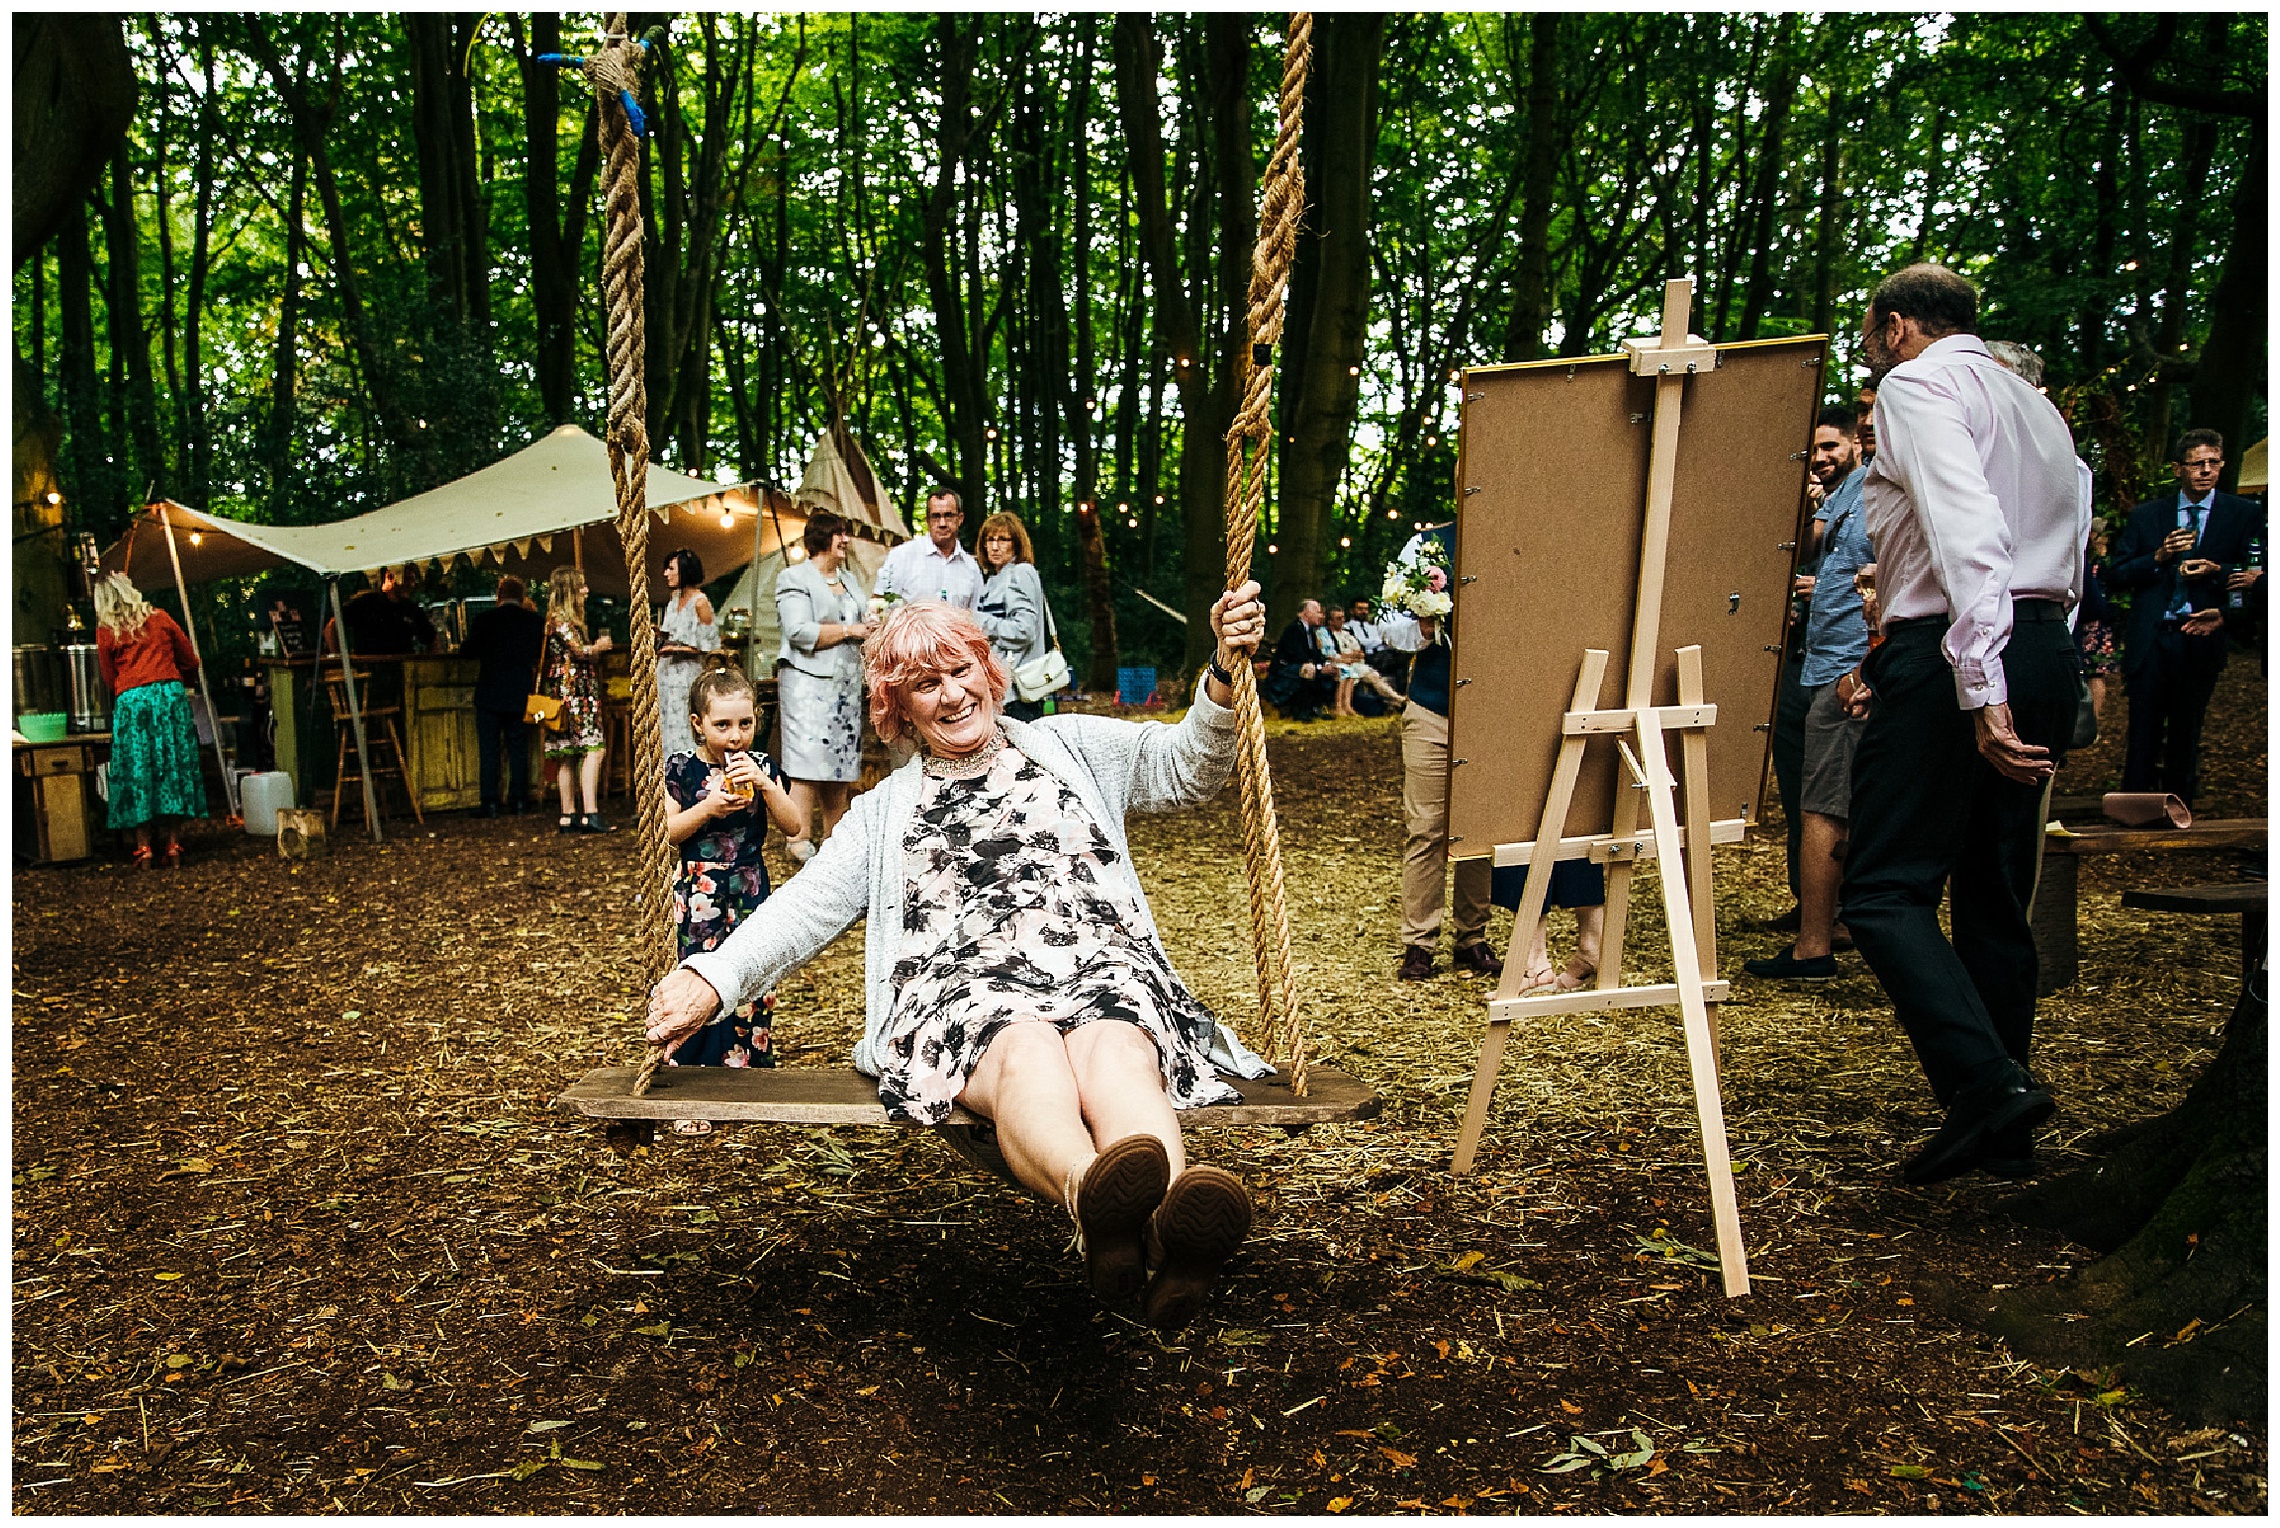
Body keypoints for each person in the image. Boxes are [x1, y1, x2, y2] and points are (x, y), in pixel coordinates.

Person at [646, 586, 1273, 1331]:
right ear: (898, 709)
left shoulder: (1067, 746)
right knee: (1023, 1049)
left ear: (987, 669)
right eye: (924, 684)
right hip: (964, 991)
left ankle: (1169, 1225)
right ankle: (1092, 1198)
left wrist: (1224, 673)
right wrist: (710, 977)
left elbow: (1186, 767)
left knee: (1121, 1045)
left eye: (960, 670)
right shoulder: (884, 813)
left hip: (1100, 967)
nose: (951, 695)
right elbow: (804, 906)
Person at [1838, 262, 2084, 1185]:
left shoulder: (1915, 383)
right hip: (2043, 639)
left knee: (1883, 888)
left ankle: (1984, 1085)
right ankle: (2005, 1124)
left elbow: (1964, 525)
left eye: (1870, 332)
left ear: (1896, 325)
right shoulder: (2033, 405)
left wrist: (1979, 682)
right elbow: (2071, 523)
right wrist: (2034, 662)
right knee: (1994, 886)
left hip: (1963, 647)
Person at [1748, 405, 1871, 980]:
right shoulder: (1835, 499)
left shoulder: (1878, 493)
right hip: (1812, 662)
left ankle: (1822, 939)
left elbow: (1877, 576)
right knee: (1810, 793)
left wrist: (1823, 588)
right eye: (1813, 449)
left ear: (1855, 443)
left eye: (1831, 446)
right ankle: (1814, 915)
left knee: (1831, 801)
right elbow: (1800, 552)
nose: (1820, 457)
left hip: (1855, 665)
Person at [660, 666, 806, 1133]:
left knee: (753, 979)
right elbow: (666, 833)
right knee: (700, 981)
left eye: (744, 724)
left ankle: (746, 1081)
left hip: (750, 887)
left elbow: (794, 825)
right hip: (699, 890)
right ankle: (692, 1093)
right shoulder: (681, 769)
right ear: (699, 723)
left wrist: (765, 785)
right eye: (722, 725)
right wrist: (709, 807)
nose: (735, 735)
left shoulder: (762, 765)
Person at [2107, 429, 2265, 810]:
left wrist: (2216, 570)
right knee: (2142, 727)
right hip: (2154, 635)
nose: (2206, 471)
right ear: (2178, 468)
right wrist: (2158, 557)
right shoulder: (2148, 516)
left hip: (2202, 631)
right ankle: (2133, 810)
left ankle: (2179, 808)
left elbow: (2256, 571)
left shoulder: (2243, 513)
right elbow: (2115, 575)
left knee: (2187, 726)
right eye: (2197, 464)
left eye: (2214, 463)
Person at [1377, 528, 1504, 982]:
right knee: (1426, 827)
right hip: (1432, 707)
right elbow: (1386, 626)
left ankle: (1473, 938)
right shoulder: (1426, 546)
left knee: (1478, 830)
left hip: (1490, 711)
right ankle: (1419, 943)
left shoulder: (1513, 537)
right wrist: (1424, 628)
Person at [775, 509, 876, 862]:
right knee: (807, 764)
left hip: (845, 688)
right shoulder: (794, 578)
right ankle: (797, 838)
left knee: (841, 766)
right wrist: (851, 631)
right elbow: (798, 632)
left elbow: (862, 621)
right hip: (806, 685)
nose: (845, 540)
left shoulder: (849, 580)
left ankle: (837, 842)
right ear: (822, 538)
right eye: (839, 533)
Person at [92, 572, 206, 866]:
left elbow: (109, 677)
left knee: (137, 769)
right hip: (169, 697)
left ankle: (143, 847)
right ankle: (173, 844)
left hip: (132, 702)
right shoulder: (161, 618)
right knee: (172, 766)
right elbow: (191, 660)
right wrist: (182, 681)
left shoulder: (107, 631)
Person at [462, 573, 545, 817]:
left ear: (499, 596)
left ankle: (489, 802)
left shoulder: (484, 620)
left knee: (489, 749)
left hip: (490, 691)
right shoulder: (533, 622)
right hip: (520, 691)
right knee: (518, 747)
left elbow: (467, 652)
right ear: (522, 597)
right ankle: (519, 800)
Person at [539, 565, 613, 834]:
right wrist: (600, 647)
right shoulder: (563, 620)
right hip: (576, 691)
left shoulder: (554, 619)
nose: (586, 590)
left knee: (566, 753)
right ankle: (590, 812)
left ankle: (567, 814)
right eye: (581, 586)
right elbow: (579, 652)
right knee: (594, 748)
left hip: (561, 689)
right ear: (569, 590)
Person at [973, 510, 1054, 723]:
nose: (995, 546)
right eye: (990, 540)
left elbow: (1025, 630)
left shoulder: (1021, 572)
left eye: (1003, 539)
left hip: (1018, 693)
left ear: (1016, 543)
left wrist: (981, 622)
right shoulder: (994, 578)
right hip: (1001, 690)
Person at [656, 547, 721, 760]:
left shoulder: (701, 603)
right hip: (666, 675)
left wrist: (675, 648)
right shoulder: (674, 600)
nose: (666, 573)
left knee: (684, 726)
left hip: (686, 677)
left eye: (671, 568)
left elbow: (710, 644)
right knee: (665, 727)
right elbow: (670, 633)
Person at [875, 489, 985, 610]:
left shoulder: (970, 568)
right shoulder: (902, 557)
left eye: (948, 516)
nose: (942, 523)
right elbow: (878, 606)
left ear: (960, 519)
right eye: (936, 516)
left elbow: (977, 617)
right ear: (927, 520)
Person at [1260, 599, 1334, 721]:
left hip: (1301, 666)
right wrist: (1319, 667)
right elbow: (1296, 656)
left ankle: (1320, 707)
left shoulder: (1311, 632)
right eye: (1317, 611)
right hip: (1284, 670)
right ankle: (1301, 711)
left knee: (1330, 669)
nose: (1320, 616)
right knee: (1308, 669)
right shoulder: (1293, 630)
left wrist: (1325, 664)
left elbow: (1315, 654)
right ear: (1305, 613)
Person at [1324, 606, 1402, 717]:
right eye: (1338, 618)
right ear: (1330, 621)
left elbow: (1360, 653)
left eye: (1342, 618)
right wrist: (1350, 657)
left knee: (1374, 676)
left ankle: (1396, 701)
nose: (1342, 621)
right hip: (1343, 665)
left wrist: (1351, 656)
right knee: (1351, 673)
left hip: (1357, 664)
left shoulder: (1347, 633)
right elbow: (1334, 655)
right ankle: (1399, 701)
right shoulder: (1328, 635)